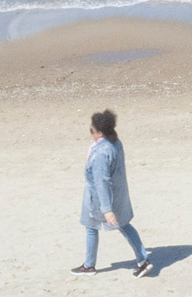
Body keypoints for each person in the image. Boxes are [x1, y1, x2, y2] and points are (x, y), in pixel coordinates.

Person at [74, 109, 151, 276]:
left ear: (100, 132)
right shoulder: (115, 142)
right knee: (124, 225)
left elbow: (102, 181)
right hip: (118, 194)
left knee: (91, 226)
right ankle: (143, 260)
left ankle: (89, 265)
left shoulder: (101, 151)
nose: (90, 134)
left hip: (100, 198)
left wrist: (107, 209)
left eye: (92, 131)